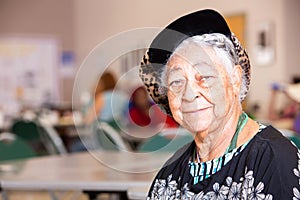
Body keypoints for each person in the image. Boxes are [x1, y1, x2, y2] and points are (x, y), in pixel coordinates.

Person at [139, 9, 300, 199]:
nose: (190, 95)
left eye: (205, 77)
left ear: (235, 80)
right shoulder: (171, 173)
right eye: (176, 82)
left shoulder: (272, 159)